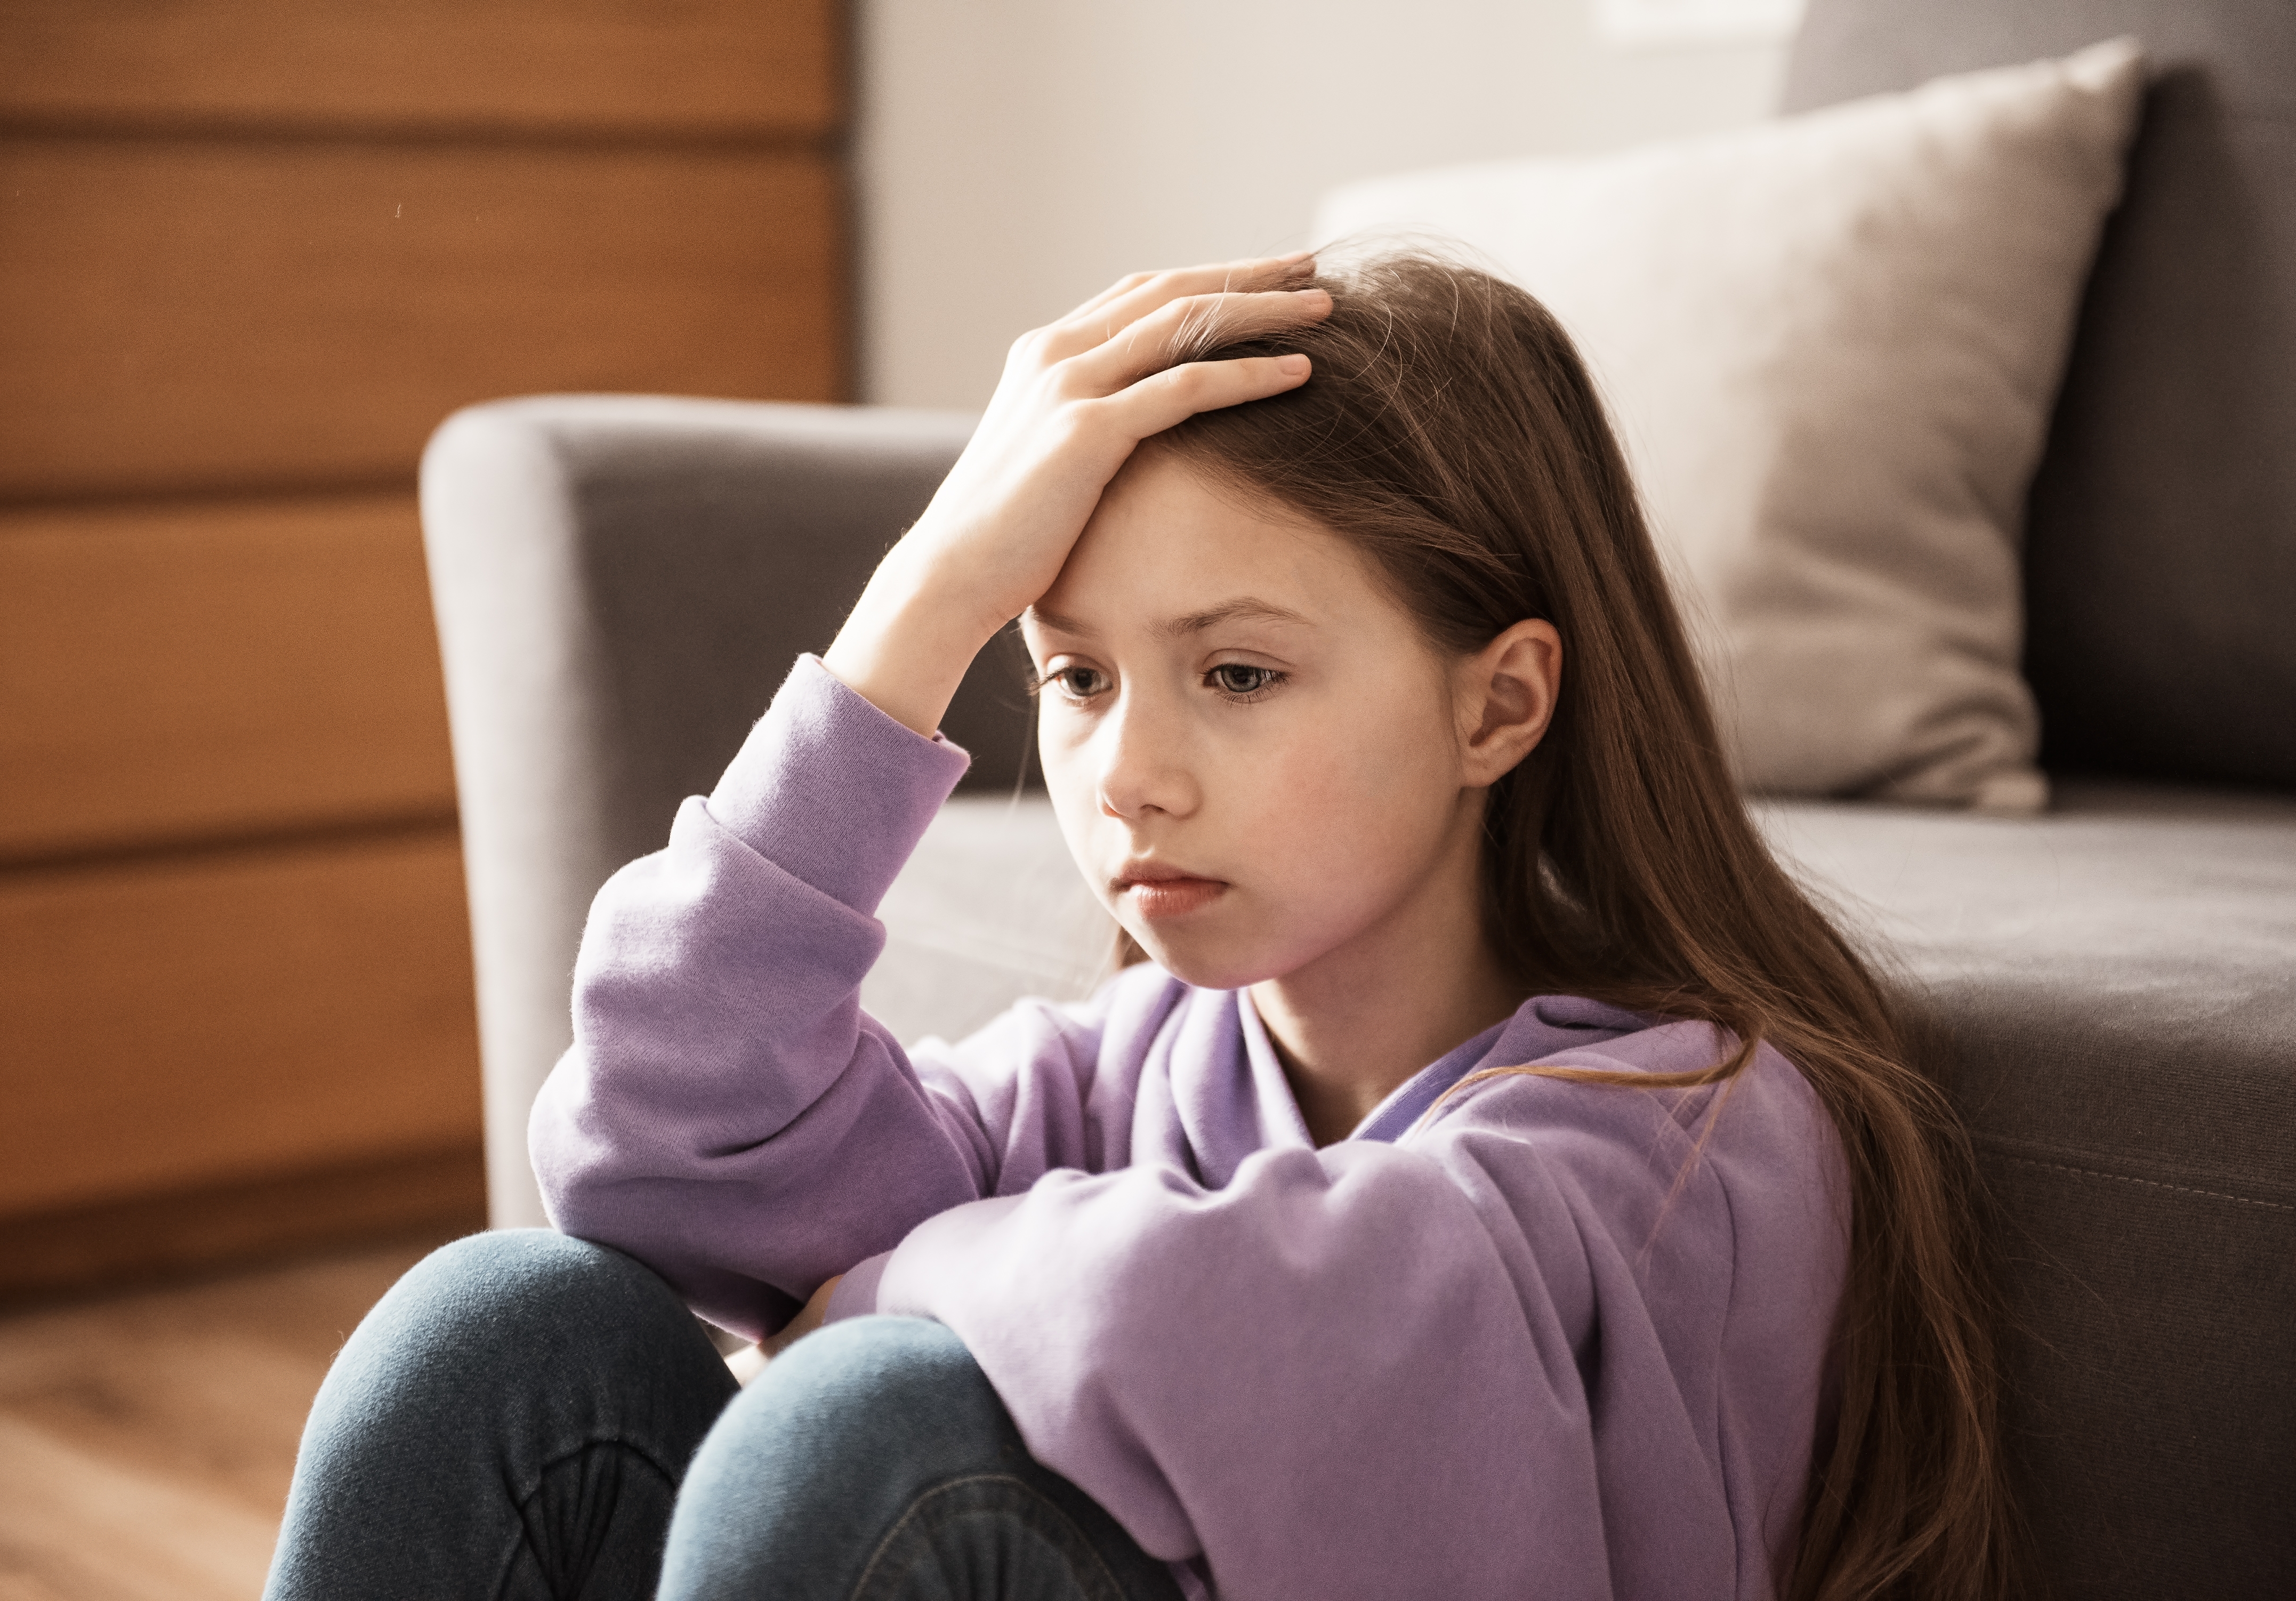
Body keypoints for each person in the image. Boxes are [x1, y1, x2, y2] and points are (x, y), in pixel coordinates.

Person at [265, 251, 2026, 1600]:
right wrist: (923, 602)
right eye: (1077, 677)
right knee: (505, 1327)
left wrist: (856, 1290)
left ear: (1498, 707)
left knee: (851, 1429)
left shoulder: (1677, 1136)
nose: (1127, 775)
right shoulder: (1133, 1070)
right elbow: (659, 1153)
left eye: (1237, 673)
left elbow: (1228, 1308)